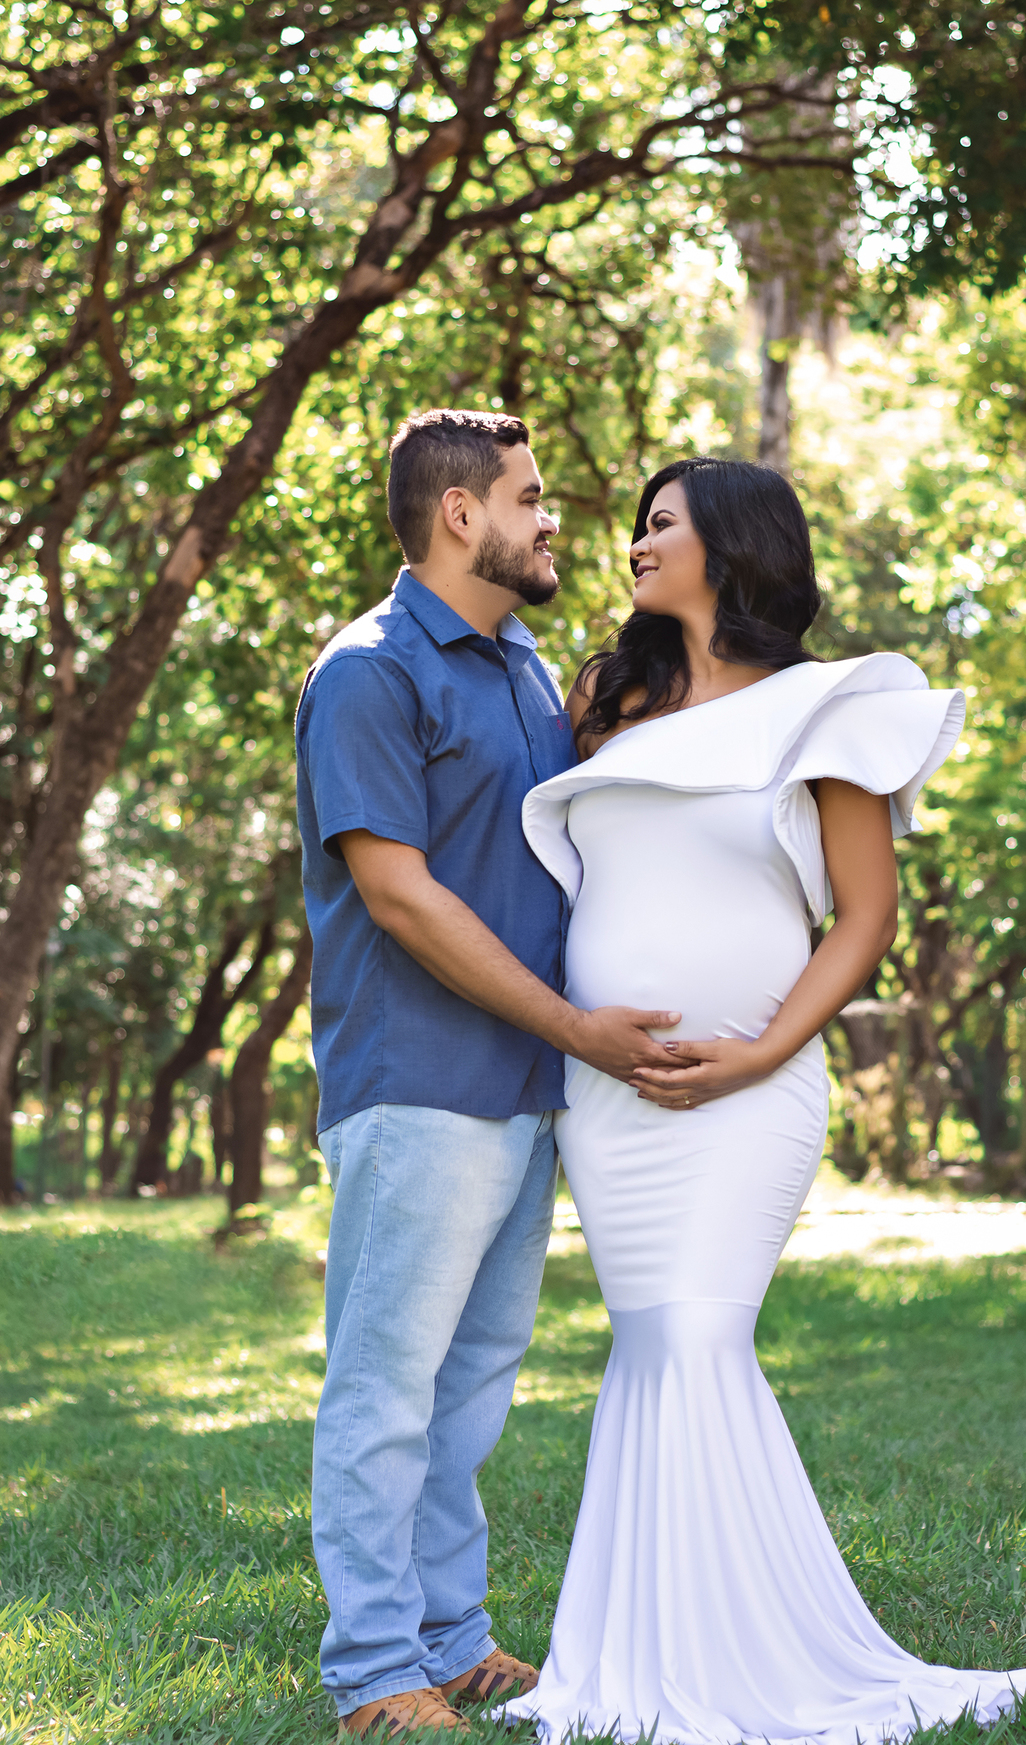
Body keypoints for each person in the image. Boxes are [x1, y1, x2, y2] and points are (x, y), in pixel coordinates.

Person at [505, 457, 1026, 1745]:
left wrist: (759, 1050)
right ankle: (632, 1662)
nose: (633, 545)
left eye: (659, 524)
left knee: (696, 1341)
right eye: (634, 527)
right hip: (608, 1095)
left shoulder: (826, 709)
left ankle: (746, 1665)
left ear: (731, 546)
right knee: (650, 1351)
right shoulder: (609, 698)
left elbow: (866, 917)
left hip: (752, 1091)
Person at [294, 410, 689, 1742]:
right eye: (530, 497)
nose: (550, 520)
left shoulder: (523, 670)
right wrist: (579, 1031)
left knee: (468, 1392)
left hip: (524, 1093)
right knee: (386, 1389)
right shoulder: (370, 671)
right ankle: (371, 1673)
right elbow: (400, 897)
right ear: (460, 514)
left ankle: (452, 1642)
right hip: (417, 1089)